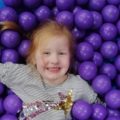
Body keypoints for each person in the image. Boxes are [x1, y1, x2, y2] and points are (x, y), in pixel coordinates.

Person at [0, 20, 98, 120]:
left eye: (61, 53)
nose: (54, 60)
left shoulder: (78, 86)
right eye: (46, 53)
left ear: (70, 57)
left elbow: (98, 107)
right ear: (33, 58)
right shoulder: (24, 75)